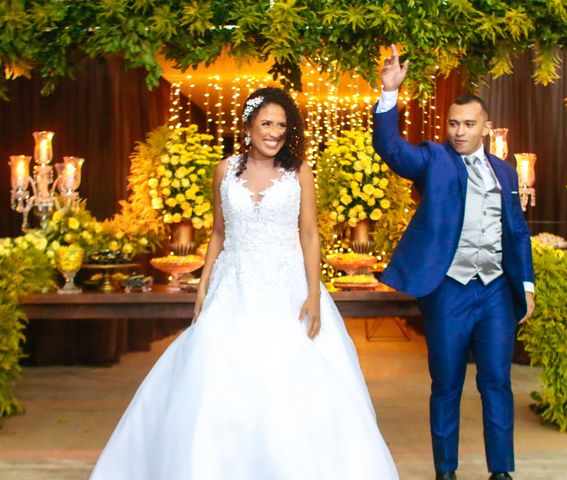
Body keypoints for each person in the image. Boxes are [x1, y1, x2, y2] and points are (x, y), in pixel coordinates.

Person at [91, 87, 399, 480]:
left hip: (286, 286)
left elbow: (309, 235)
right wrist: (203, 285)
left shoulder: (298, 171)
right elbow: (219, 233)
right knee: (217, 374)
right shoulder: (225, 169)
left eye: (282, 126)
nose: (274, 133)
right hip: (232, 285)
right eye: (267, 123)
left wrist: (314, 294)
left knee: (287, 380)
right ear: (248, 125)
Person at [372, 46, 535, 480]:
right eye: (452, 123)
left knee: (497, 383)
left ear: (485, 126)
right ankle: (446, 471)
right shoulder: (433, 159)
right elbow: (390, 148)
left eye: (467, 124)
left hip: (498, 290)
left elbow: (517, 231)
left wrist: (528, 287)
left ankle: (501, 472)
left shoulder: (504, 171)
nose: (458, 131)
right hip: (450, 289)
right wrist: (390, 94)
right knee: (446, 385)